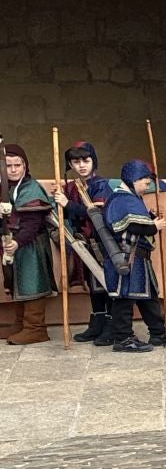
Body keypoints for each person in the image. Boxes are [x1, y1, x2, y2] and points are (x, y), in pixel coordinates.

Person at [101, 160, 166, 351]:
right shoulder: (122, 199)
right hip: (127, 258)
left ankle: (158, 332)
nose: (147, 187)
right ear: (134, 179)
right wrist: (153, 226)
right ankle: (123, 338)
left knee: (148, 297)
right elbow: (132, 225)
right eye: (146, 183)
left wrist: (150, 217)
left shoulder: (131, 198)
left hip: (139, 258)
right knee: (125, 298)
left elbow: (138, 220)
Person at [53, 142, 112, 342]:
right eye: (76, 162)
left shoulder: (100, 185)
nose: (82, 166)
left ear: (93, 161)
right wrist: (60, 201)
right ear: (70, 164)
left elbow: (96, 213)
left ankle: (112, 325)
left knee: (106, 282)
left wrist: (67, 204)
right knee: (93, 284)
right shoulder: (70, 187)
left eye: (86, 161)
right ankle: (97, 322)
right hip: (83, 242)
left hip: (103, 242)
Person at [2, 145, 58, 345]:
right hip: (11, 245)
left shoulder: (31, 188)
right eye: (8, 165)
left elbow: (32, 224)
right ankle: (21, 323)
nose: (13, 170)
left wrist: (17, 242)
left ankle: (36, 328)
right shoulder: (4, 188)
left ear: (25, 165)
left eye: (17, 165)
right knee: (16, 282)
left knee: (31, 281)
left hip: (31, 245)